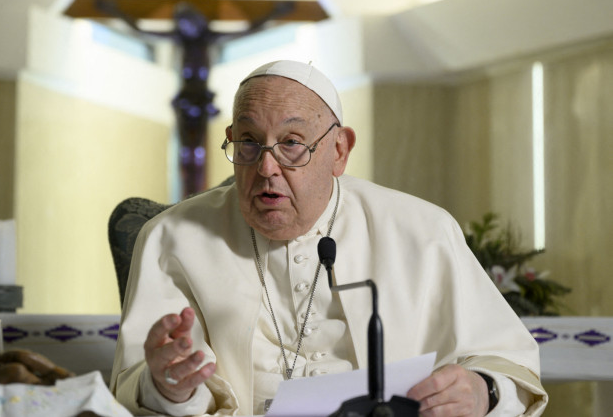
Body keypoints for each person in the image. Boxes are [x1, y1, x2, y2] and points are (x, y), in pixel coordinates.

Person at [110, 60, 547, 416]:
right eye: (248, 142)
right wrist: (171, 387)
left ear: (339, 150)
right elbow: (139, 387)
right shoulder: (171, 239)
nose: (266, 169)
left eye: (292, 143)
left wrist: (482, 390)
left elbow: (508, 364)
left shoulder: (423, 231)